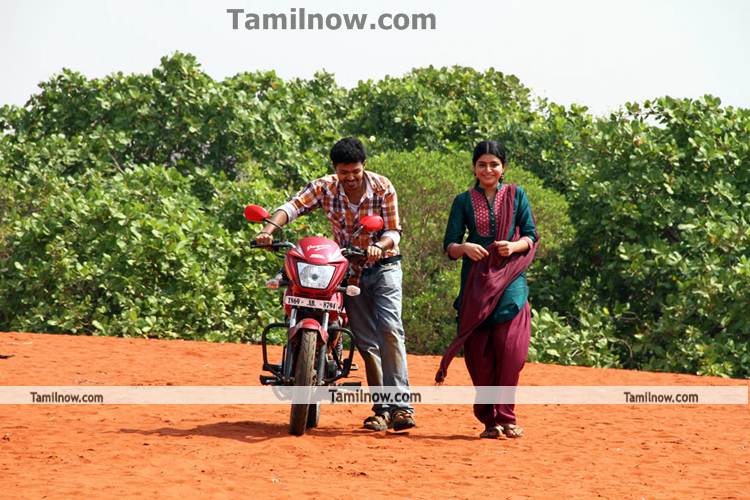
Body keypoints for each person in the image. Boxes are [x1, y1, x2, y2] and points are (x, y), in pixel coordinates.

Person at [255, 137, 416, 432]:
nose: (350, 178)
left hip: (384, 267)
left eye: (355, 171)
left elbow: (394, 230)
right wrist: (268, 230)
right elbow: (291, 207)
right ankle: (381, 410)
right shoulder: (324, 187)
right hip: (347, 269)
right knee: (366, 343)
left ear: (364, 167)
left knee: (390, 331)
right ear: (335, 170)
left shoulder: (383, 187)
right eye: (344, 173)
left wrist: (380, 245)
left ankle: (402, 408)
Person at [436, 140, 539, 439]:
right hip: (476, 282)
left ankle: (507, 416)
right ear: (474, 167)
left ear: (503, 167)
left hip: (510, 280)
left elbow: (531, 235)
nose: (488, 169)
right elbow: (449, 246)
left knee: (511, 352)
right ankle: (489, 421)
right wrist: (465, 247)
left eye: (494, 164)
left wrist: (514, 245)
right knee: (479, 354)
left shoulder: (517, 195)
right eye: (482, 164)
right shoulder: (463, 201)